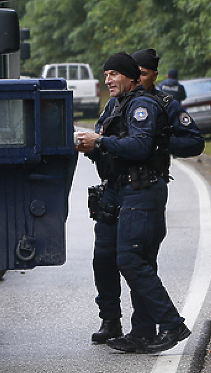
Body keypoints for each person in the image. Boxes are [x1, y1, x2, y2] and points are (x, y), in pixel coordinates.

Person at [87, 49, 204, 345]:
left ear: (137, 76)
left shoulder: (150, 104)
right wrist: (95, 146)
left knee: (133, 259)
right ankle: (127, 327)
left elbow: (145, 146)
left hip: (141, 189)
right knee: (106, 256)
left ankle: (167, 324)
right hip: (115, 187)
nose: (108, 79)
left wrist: (159, 143)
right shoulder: (116, 104)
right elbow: (108, 138)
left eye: (113, 74)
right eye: (106, 74)